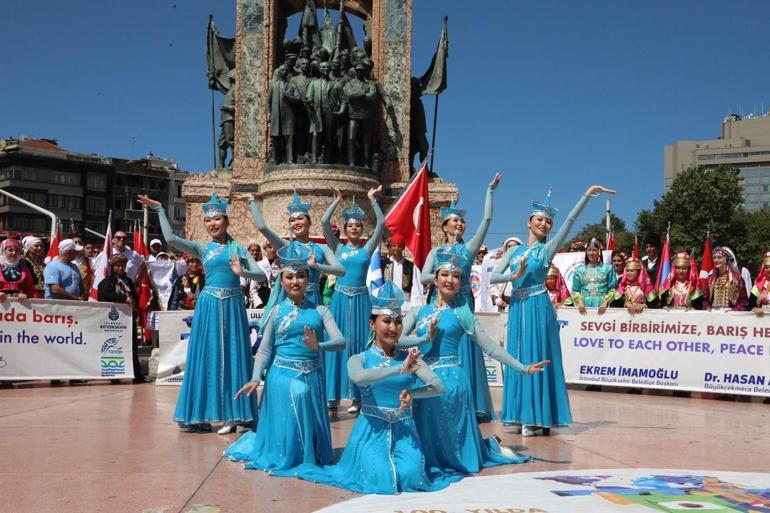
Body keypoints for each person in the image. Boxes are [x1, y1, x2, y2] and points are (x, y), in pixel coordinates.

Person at [275, 281, 462, 494]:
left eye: (398, 321)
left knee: (411, 475)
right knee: (380, 475)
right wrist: (400, 369)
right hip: (371, 432)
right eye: (386, 321)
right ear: (372, 324)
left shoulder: (410, 358)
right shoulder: (360, 358)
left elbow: (439, 387)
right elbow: (359, 378)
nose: (393, 328)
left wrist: (412, 393)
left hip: (405, 432)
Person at [402, 250, 548, 472]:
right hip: (424, 380)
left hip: (452, 383)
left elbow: (489, 345)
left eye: (456, 276)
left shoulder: (463, 313)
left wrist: (523, 368)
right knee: (427, 442)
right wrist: (422, 339)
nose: (450, 280)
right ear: (435, 278)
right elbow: (398, 340)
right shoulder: (418, 311)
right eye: (445, 275)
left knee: (453, 443)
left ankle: (481, 449)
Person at [491, 185, 615, 436]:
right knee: (517, 356)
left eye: (548, 221)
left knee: (537, 354)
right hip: (517, 307)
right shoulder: (514, 250)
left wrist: (586, 196)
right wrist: (513, 275)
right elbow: (494, 276)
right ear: (529, 222)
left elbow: (569, 221)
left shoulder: (545, 249)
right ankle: (517, 412)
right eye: (540, 219)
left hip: (538, 306)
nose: (544, 224)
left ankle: (536, 416)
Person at [137, 192, 266, 434]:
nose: (213, 224)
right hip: (208, 305)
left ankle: (234, 413)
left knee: (233, 357)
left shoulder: (238, 248)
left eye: (217, 219)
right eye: (208, 221)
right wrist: (159, 210)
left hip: (232, 306)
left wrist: (243, 273)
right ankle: (202, 413)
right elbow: (171, 238)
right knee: (206, 357)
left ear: (227, 221)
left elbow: (262, 274)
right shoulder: (203, 247)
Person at [224, 241, 344, 471]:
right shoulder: (277, 311)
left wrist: (318, 345)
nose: (295, 281)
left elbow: (340, 342)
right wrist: (255, 377)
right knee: (299, 393)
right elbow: (266, 349)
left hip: (313, 374)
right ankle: (290, 454)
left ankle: (304, 452)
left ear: (308, 279)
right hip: (282, 374)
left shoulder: (321, 311)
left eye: (300, 276)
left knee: (305, 392)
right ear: (282, 281)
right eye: (289, 277)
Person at [420, 173, 502, 422]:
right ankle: (441, 397)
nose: (459, 225)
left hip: (463, 303)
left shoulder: (468, 249)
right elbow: (423, 277)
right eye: (454, 221)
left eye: (462, 222)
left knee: (466, 351)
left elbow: (487, 220)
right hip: (440, 303)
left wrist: (490, 191)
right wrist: (442, 274)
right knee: (442, 349)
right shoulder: (436, 251)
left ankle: (471, 403)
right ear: (444, 226)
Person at [321, 186, 385, 413]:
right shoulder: (337, 247)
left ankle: (358, 396)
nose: (355, 228)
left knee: (360, 346)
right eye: (350, 226)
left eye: (358, 225)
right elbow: (325, 223)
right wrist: (336, 201)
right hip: (339, 300)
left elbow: (381, 225)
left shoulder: (367, 249)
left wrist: (373, 200)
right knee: (337, 345)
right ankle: (332, 395)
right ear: (346, 229)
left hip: (361, 301)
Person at [236, 189, 344, 307]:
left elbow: (341, 271)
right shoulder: (285, 246)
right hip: (290, 302)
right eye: (292, 220)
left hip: (313, 300)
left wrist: (317, 266)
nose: (296, 222)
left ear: (310, 222)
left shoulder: (322, 248)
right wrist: (252, 201)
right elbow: (262, 227)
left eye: (300, 218)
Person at [97, 254, 144, 383]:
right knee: (115, 345)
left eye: (123, 265)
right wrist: (122, 298)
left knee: (132, 345)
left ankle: (136, 373)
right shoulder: (107, 281)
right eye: (118, 266)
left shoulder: (128, 281)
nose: (121, 268)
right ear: (113, 267)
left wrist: (135, 308)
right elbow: (103, 294)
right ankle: (115, 374)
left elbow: (134, 296)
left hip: (128, 319)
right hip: (114, 321)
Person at [572, 238, 616, 314]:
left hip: (602, 305)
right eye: (589, 250)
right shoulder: (579, 270)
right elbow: (576, 290)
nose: (591, 253)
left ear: (599, 252)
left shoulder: (608, 268)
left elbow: (613, 288)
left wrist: (605, 302)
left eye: (594, 250)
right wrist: (580, 302)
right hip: (584, 305)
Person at [704, 246, 747, 311]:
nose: (716, 260)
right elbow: (705, 299)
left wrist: (734, 310)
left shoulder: (736, 278)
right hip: (713, 316)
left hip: (730, 316)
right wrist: (707, 307)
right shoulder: (710, 279)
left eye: (719, 257)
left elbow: (743, 300)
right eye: (714, 258)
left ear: (726, 259)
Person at [491, 237, 522, 312]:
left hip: (520, 304)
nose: (512, 249)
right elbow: (492, 285)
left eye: (515, 246)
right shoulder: (498, 263)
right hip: (503, 305)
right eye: (509, 246)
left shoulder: (524, 262)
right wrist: (497, 300)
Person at [749, 251, 770, 316]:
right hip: (763, 322)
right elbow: (750, 304)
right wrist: (755, 309)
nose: (769, 269)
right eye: (766, 267)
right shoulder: (760, 283)